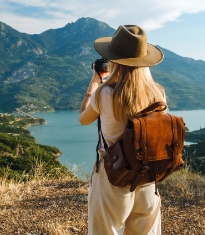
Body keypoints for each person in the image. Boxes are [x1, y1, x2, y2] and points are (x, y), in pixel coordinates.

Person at [79, 25, 166, 235]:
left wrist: (94, 82)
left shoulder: (104, 93)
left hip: (113, 179)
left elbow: (84, 119)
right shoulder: (158, 93)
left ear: (114, 60)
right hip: (147, 179)